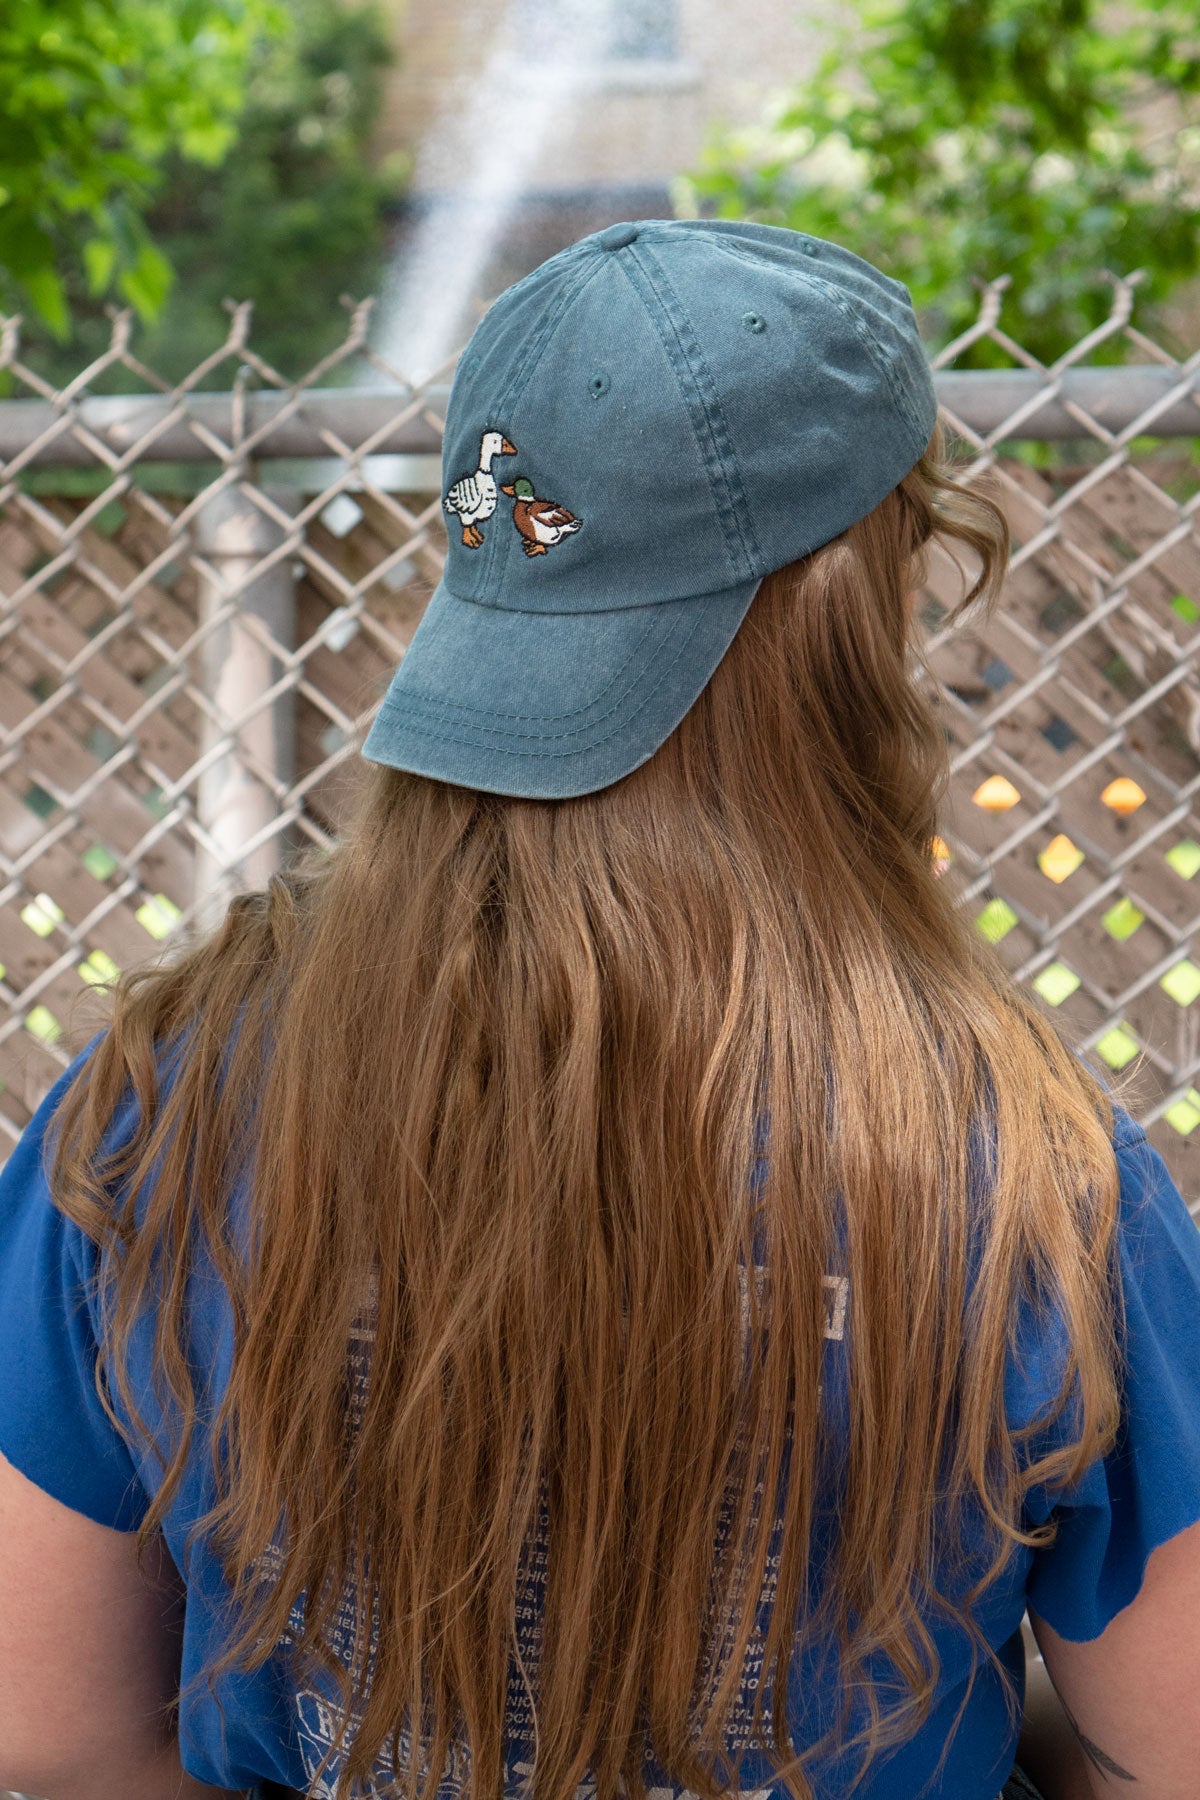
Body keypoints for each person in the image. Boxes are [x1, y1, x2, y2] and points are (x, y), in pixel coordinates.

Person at [0, 218, 1198, 1800]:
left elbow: (55, 1734)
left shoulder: (161, 1108)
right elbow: (1161, 1753)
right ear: (855, 621)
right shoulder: (1034, 1183)